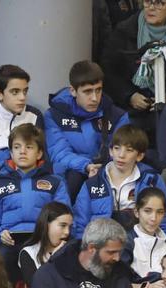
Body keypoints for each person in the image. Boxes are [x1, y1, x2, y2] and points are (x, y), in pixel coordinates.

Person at [0, 124, 69, 266]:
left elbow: (63, 216)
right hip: (9, 242)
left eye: (29, 147)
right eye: (17, 147)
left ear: (39, 153)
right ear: (11, 153)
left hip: (43, 240)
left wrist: (50, 235)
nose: (22, 152)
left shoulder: (55, 183)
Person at [100, 0, 166, 134]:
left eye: (159, 3)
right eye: (147, 1)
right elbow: (108, 70)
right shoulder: (125, 30)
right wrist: (130, 96)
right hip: (130, 111)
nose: (151, 8)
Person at [73, 126, 166, 245]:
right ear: (111, 151)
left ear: (139, 156)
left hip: (141, 244)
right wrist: (83, 249)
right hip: (101, 245)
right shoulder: (93, 183)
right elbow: (80, 224)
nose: (121, 155)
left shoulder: (152, 180)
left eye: (129, 150)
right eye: (117, 148)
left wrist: (164, 246)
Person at [44, 60, 128, 199]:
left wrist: (104, 168)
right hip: (72, 175)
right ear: (73, 91)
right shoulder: (54, 115)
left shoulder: (117, 116)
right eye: (88, 91)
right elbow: (59, 153)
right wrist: (86, 165)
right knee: (73, 177)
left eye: (98, 90)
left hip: (109, 172)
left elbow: (124, 152)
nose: (94, 98)